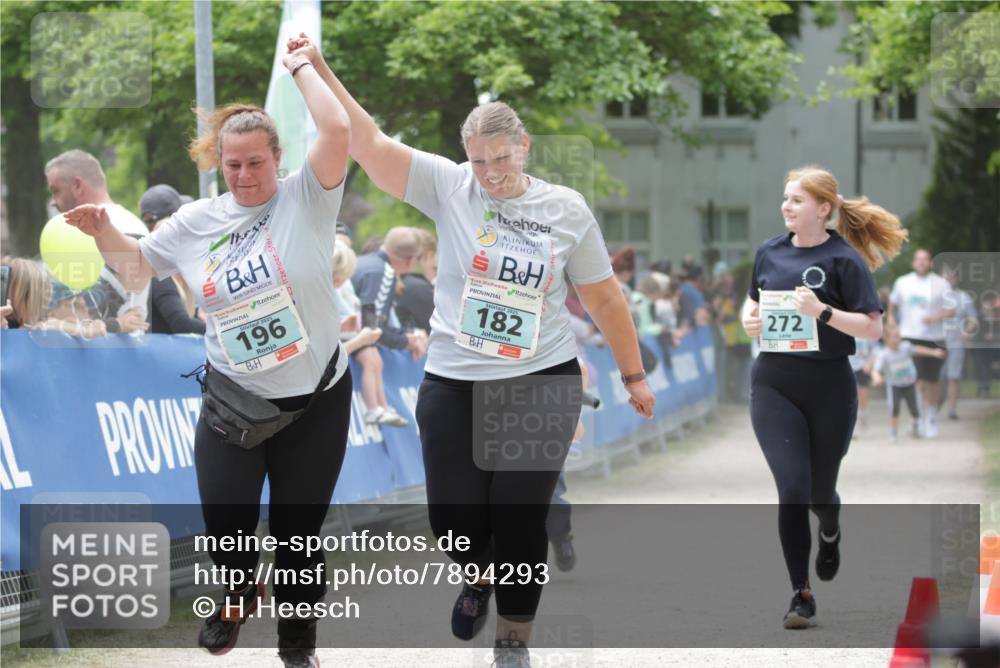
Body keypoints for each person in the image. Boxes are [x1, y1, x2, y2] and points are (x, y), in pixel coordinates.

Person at [293, 34, 655, 668]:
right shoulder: (449, 186)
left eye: (501, 160)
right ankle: (476, 575)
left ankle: (513, 640)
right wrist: (318, 66)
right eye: (479, 161)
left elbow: (604, 299)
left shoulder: (565, 210)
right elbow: (370, 143)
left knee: (519, 517)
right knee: (454, 520)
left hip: (541, 378)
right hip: (455, 377)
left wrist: (633, 374)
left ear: (525, 148)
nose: (490, 173)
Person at [64, 37, 352, 668]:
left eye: (256, 163)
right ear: (219, 164)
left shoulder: (309, 196)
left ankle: (298, 649)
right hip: (234, 399)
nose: (245, 177)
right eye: (233, 165)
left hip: (317, 400)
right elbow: (137, 273)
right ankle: (236, 590)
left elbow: (335, 123)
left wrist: (302, 64)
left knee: (299, 537)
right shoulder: (197, 221)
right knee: (227, 523)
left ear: (280, 158)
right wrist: (104, 229)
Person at [740, 165, 906, 630]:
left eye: (796, 199)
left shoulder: (843, 259)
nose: (786, 206)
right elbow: (751, 302)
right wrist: (747, 320)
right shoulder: (769, 252)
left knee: (818, 492)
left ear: (823, 209)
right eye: (785, 198)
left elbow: (872, 327)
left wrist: (823, 311)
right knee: (792, 488)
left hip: (830, 386)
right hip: (774, 382)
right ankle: (801, 593)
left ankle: (830, 528)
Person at [45, 149, 151, 334]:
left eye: (56, 191)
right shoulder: (129, 223)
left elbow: (108, 303)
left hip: (106, 350)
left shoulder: (116, 228)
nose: (53, 201)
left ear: (77, 185)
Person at [350, 226, 426, 427]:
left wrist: (405, 336)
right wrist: (405, 341)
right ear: (411, 260)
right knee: (373, 360)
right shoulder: (383, 273)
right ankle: (377, 409)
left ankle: (380, 407)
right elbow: (372, 326)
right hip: (349, 334)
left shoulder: (364, 261)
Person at [889, 248, 954, 438]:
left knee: (932, 381)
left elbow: (951, 310)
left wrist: (935, 317)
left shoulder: (941, 284)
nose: (921, 262)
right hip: (910, 335)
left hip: (935, 337)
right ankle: (916, 418)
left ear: (931, 263)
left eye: (925, 259)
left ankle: (931, 418)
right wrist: (891, 319)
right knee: (914, 378)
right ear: (913, 262)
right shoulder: (903, 282)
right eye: (918, 259)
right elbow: (892, 304)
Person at [140, 184, 206, 335]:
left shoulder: (174, 273)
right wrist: (223, 329)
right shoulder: (158, 274)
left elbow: (182, 316)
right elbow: (181, 324)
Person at [871, 324, 946, 442]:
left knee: (914, 409)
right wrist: (877, 378)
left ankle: (916, 427)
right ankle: (893, 432)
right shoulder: (884, 354)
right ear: (886, 338)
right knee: (894, 408)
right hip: (894, 385)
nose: (898, 339)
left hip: (909, 383)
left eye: (899, 336)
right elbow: (876, 370)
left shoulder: (905, 347)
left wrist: (933, 352)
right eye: (894, 336)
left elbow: (918, 350)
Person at [940, 268, 977, 420]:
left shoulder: (964, 297)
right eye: (946, 275)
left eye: (952, 276)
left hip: (955, 340)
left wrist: (967, 332)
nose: (949, 278)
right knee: (934, 377)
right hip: (937, 341)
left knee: (953, 376)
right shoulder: (935, 296)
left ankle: (952, 409)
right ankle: (931, 408)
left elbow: (973, 319)